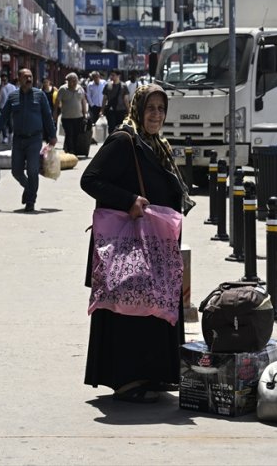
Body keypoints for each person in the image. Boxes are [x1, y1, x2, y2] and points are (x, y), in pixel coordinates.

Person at [80, 84, 191, 403]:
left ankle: (152, 375)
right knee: (127, 307)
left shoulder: (158, 144)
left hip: (156, 242)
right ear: (138, 109)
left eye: (161, 109)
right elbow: (90, 179)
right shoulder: (124, 140)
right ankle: (125, 379)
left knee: (153, 305)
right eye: (150, 108)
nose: (156, 115)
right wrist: (128, 199)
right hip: (129, 241)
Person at [0, 68, 57, 213]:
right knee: (16, 171)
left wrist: (52, 135)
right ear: (19, 79)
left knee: (33, 171)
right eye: (25, 77)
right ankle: (28, 188)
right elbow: (3, 117)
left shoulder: (40, 96)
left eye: (31, 77)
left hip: (34, 139)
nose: (29, 79)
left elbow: (47, 116)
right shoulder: (13, 97)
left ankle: (31, 201)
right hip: (18, 140)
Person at [55, 72, 88, 155]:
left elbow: (83, 102)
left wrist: (85, 114)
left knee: (76, 134)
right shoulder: (62, 89)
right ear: (67, 81)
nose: (73, 83)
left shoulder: (80, 89)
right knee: (69, 133)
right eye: (71, 81)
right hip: (66, 117)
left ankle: (71, 149)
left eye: (75, 81)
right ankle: (71, 150)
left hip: (78, 117)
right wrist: (55, 113)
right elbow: (57, 102)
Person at [102, 69, 129, 133]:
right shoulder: (107, 85)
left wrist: (128, 111)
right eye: (111, 75)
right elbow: (104, 99)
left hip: (121, 111)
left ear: (118, 76)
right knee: (111, 128)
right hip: (110, 111)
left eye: (113, 75)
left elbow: (126, 100)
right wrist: (102, 110)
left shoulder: (124, 86)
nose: (112, 77)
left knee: (120, 128)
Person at [0, 74, 17, 144]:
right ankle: (5, 136)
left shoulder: (12, 87)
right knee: (2, 123)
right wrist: (0, 86)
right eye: (2, 80)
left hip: (10, 106)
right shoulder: (0, 87)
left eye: (4, 80)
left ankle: (11, 134)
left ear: (7, 80)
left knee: (10, 121)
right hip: (2, 107)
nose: (3, 81)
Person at [85, 71, 105, 138]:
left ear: (99, 77)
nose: (96, 78)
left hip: (103, 106)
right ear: (92, 78)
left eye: (97, 77)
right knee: (92, 122)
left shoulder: (104, 83)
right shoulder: (90, 85)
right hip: (94, 107)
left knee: (102, 122)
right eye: (94, 77)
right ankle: (92, 137)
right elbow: (88, 96)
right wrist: (92, 105)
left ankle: (101, 136)